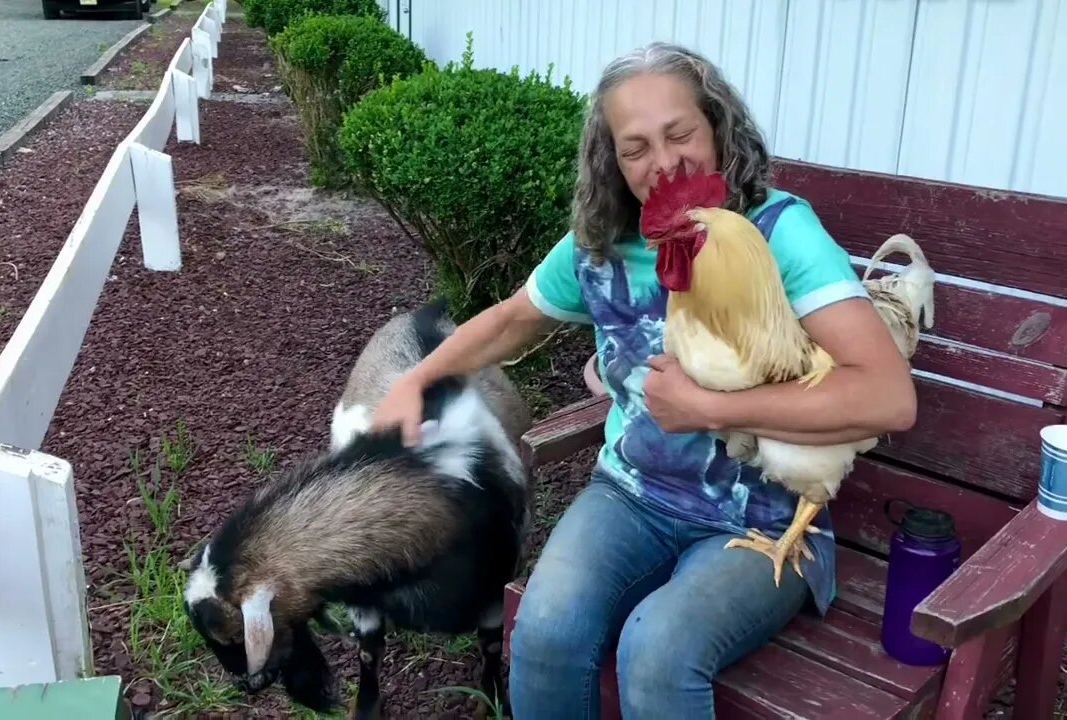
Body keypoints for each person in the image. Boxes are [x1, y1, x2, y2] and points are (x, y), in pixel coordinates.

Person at [368, 41, 916, 720]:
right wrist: (414, 379)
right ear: (611, 160)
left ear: (717, 125)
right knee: (542, 632)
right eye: (635, 148)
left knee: (657, 651)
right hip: (630, 497)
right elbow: (514, 319)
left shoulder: (778, 234)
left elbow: (888, 396)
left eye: (680, 133)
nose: (663, 162)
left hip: (765, 519)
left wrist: (711, 407)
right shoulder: (601, 244)